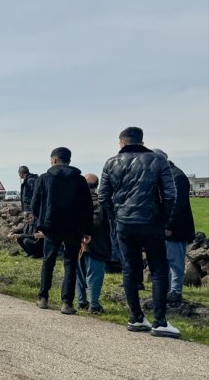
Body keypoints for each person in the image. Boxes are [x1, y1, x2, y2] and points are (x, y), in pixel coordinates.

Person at [99, 127, 179, 338]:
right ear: (142, 141)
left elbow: (103, 197)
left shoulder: (110, 163)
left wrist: (115, 218)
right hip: (151, 222)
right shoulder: (158, 160)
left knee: (129, 269)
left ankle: (136, 317)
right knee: (158, 270)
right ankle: (160, 321)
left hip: (124, 223)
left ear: (121, 143)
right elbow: (171, 195)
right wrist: (163, 219)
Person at [31, 147, 92, 315]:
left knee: (48, 262)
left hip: (51, 226)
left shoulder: (44, 178)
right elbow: (87, 206)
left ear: (55, 160)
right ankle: (67, 303)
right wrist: (86, 230)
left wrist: (40, 223)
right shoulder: (79, 180)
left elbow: (35, 204)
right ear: (69, 160)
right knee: (70, 263)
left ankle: (43, 298)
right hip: (73, 227)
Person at [151, 149, 195, 304]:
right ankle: (168, 290)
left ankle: (175, 291)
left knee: (175, 261)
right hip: (166, 226)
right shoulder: (167, 175)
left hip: (176, 227)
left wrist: (168, 225)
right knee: (167, 260)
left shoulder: (177, 176)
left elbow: (178, 204)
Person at [76, 174, 112, 314]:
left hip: (77, 242)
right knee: (94, 275)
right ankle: (94, 305)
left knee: (79, 273)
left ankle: (81, 301)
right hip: (95, 243)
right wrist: (87, 233)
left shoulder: (76, 200)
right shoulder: (99, 201)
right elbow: (96, 221)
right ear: (96, 185)